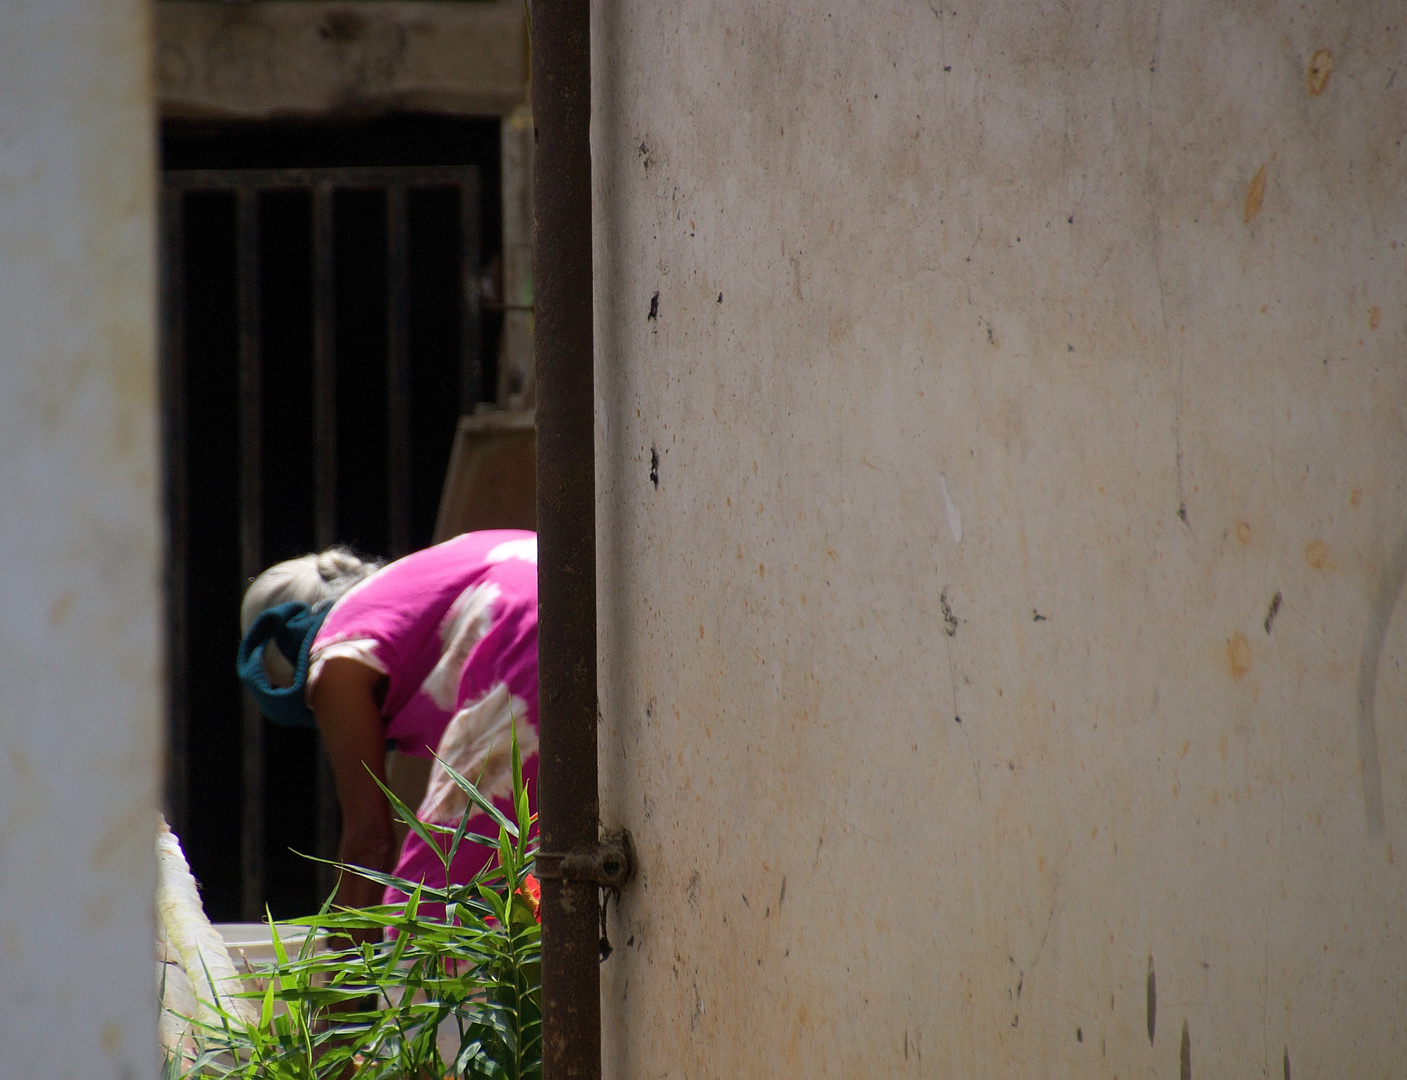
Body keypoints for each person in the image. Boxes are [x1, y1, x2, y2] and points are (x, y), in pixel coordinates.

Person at [236, 531, 539, 925]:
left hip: (519, 636)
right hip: (597, 595)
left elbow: (370, 845)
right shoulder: (414, 586)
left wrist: (341, 972)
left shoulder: (332, 657)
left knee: (431, 908)